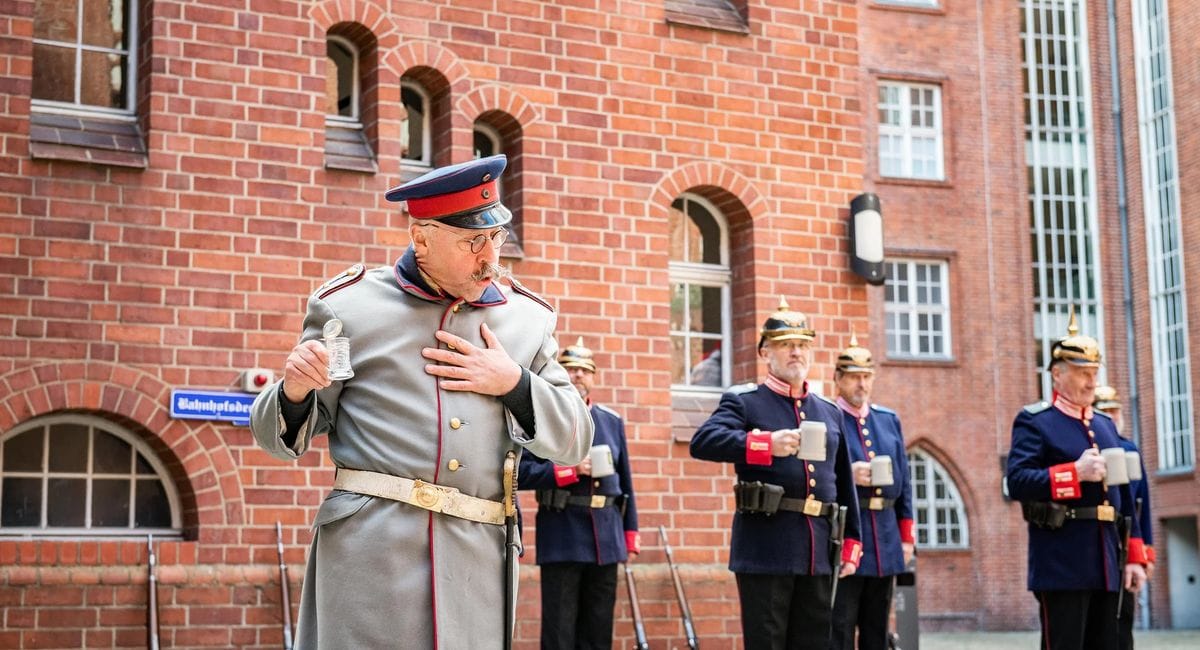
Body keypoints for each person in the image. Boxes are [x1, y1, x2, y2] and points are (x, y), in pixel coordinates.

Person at [249, 154, 593, 650]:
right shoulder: (348, 307)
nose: (490, 257)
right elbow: (279, 441)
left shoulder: (527, 319)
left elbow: (576, 438)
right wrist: (295, 391)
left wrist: (514, 382)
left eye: (495, 237)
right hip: (370, 559)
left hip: (477, 568)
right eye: (473, 241)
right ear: (422, 238)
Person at [690, 297, 862, 650]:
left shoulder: (829, 411)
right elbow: (703, 442)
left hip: (818, 549)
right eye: (785, 345)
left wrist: (852, 541)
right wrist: (764, 443)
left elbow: (843, 481)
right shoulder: (745, 401)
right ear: (765, 352)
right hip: (765, 549)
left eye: (802, 344)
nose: (796, 352)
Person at [1005, 313, 1149, 650]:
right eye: (1083, 373)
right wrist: (1074, 473)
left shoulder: (1104, 424)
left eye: (1094, 373)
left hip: (1108, 559)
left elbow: (1125, 497)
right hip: (1061, 560)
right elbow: (1018, 481)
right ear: (1057, 374)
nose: (1091, 382)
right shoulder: (1035, 421)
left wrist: (1134, 556)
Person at [518, 337, 640, 650]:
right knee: (559, 632)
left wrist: (630, 533)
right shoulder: (541, 419)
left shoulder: (611, 420)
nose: (578, 375)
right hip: (563, 535)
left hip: (607, 537)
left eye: (586, 370)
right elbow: (522, 473)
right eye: (571, 369)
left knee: (598, 631)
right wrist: (568, 471)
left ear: (594, 377)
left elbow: (626, 483)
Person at [829, 334, 914, 650]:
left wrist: (907, 536)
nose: (861, 384)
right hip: (848, 535)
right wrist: (848, 476)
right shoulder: (829, 417)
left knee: (877, 630)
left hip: (886, 537)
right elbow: (816, 475)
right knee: (840, 628)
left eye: (866, 376)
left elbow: (905, 482)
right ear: (838, 378)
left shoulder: (887, 420)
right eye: (854, 377)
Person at [1094, 385, 1155, 650]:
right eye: (1105, 411)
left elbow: (1140, 504)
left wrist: (1145, 553)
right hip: (1100, 539)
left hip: (1126, 540)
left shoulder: (1130, 448)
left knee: (1123, 617)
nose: (1112, 416)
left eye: (1115, 411)